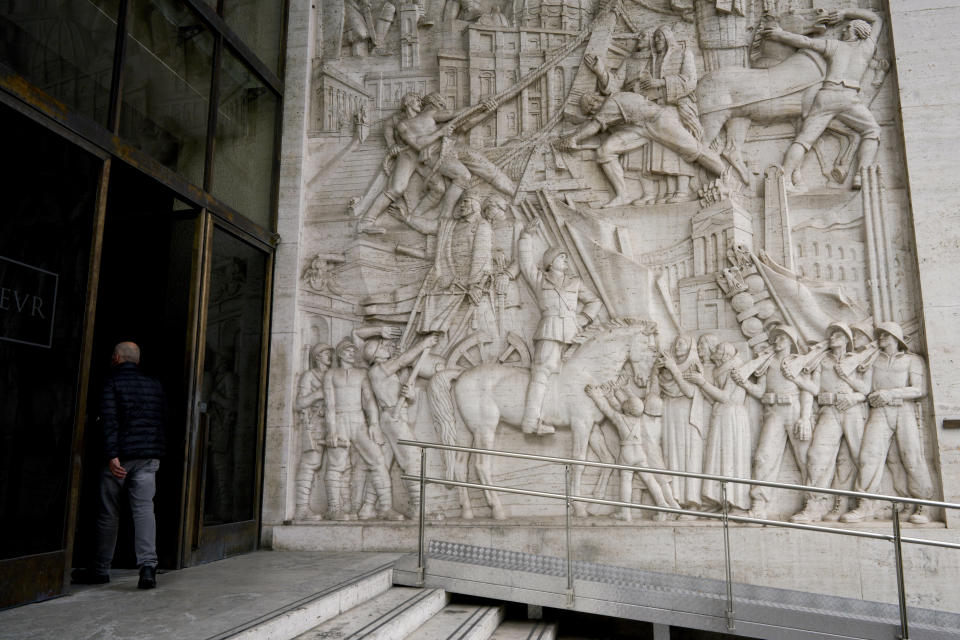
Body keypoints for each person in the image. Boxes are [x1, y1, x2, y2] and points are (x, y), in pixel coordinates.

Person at [72, 342, 166, 590]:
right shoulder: (153, 383)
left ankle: (101, 569)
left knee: (108, 512)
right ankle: (148, 567)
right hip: (148, 456)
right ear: (136, 360)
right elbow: (160, 418)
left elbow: (109, 419)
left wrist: (112, 454)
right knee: (145, 511)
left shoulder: (111, 381)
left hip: (120, 458)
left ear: (115, 357)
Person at [761, 8, 883, 191]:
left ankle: (785, 176)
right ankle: (861, 175)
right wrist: (846, 14)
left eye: (847, 28)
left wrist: (780, 34)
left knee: (804, 140)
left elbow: (806, 42)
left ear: (856, 32)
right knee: (872, 131)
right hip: (849, 99)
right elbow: (876, 19)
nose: (843, 30)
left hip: (827, 96)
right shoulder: (867, 48)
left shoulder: (835, 46)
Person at [558, 91, 723, 207]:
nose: (593, 112)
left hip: (658, 119)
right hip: (638, 128)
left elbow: (594, 126)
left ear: (595, 100)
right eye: (589, 112)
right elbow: (595, 126)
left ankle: (724, 175)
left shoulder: (612, 102)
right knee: (605, 151)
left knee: (694, 150)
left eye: (592, 108)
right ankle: (623, 195)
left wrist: (574, 138)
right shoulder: (608, 108)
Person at [841, 322, 934, 524]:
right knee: (869, 457)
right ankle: (865, 505)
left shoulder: (913, 360)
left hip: (904, 411)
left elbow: (919, 390)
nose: (880, 339)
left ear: (895, 339)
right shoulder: (874, 361)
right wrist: (847, 377)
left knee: (912, 457)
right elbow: (866, 389)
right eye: (880, 336)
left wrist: (890, 393)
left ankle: (923, 505)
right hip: (879, 412)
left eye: (885, 336)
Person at [517, 218, 601, 435]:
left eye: (565, 257)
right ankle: (531, 420)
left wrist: (583, 318)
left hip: (574, 333)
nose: (565, 260)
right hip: (550, 330)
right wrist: (526, 236)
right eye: (561, 257)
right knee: (541, 373)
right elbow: (525, 264)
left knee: (577, 375)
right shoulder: (540, 280)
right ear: (550, 262)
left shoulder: (574, 283)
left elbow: (594, 301)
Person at [790, 322, 870, 523]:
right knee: (816, 455)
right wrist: (798, 380)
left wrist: (855, 397)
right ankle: (814, 506)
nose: (832, 337)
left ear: (846, 340)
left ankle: (866, 503)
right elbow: (815, 389)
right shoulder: (822, 361)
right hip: (829, 410)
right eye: (831, 334)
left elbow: (867, 389)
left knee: (861, 456)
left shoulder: (859, 360)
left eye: (837, 334)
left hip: (852, 410)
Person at [731, 325, 813, 519]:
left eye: (782, 338)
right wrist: (744, 382)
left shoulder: (799, 362)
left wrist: (805, 418)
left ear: (791, 342)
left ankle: (813, 503)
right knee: (763, 457)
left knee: (807, 459)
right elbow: (760, 392)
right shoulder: (767, 363)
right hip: (774, 412)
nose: (777, 342)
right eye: (776, 338)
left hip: (794, 410)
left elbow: (806, 391)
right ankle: (759, 505)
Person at [585, 383, 681, 521]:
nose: (623, 404)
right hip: (640, 453)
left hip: (627, 453)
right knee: (651, 481)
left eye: (626, 404)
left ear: (627, 410)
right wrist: (611, 395)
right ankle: (663, 506)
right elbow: (622, 406)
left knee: (626, 482)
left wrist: (597, 396)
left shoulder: (619, 419)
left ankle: (625, 512)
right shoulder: (640, 418)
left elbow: (606, 409)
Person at [684, 342, 751, 514]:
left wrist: (702, 382)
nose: (714, 352)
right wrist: (701, 382)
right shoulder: (720, 370)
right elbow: (713, 398)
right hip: (721, 415)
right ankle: (721, 501)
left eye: (719, 350)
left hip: (733, 416)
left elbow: (724, 396)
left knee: (730, 459)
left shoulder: (734, 369)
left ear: (726, 355)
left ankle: (735, 502)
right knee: (718, 459)